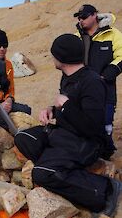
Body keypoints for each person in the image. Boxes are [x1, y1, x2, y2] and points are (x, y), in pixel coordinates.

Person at [14, 34, 122, 216]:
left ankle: (106, 189)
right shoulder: (67, 76)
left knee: (41, 174)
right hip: (63, 133)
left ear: (63, 58)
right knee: (23, 138)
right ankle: (57, 165)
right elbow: (69, 109)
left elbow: (92, 127)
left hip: (86, 143)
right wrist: (52, 110)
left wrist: (65, 106)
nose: (52, 58)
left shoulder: (92, 82)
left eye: (54, 55)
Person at [73, 4, 122, 158]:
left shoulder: (112, 34)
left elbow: (121, 56)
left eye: (84, 16)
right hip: (82, 89)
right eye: (79, 17)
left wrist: (107, 75)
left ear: (95, 15)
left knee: (106, 125)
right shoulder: (77, 36)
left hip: (105, 89)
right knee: (83, 125)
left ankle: (106, 156)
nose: (81, 20)